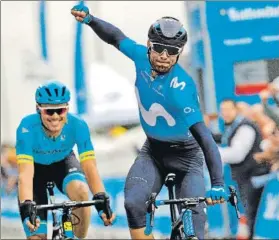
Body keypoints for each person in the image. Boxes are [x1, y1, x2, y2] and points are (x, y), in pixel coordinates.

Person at [71, 5, 226, 240]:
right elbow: (116, 37)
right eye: (159, 48)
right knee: (133, 204)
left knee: (193, 228)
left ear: (179, 52)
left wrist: (217, 183)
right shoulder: (140, 57)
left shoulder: (181, 88)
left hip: (187, 158)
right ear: (149, 45)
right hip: (153, 152)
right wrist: (91, 20)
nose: (164, 56)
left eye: (172, 51)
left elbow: (204, 137)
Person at [16, 81, 115, 240]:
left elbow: (89, 166)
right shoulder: (26, 127)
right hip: (35, 172)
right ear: (39, 110)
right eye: (49, 111)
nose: (55, 116)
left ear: (67, 109)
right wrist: (26, 204)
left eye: (60, 110)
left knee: (82, 191)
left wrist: (100, 196)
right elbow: (25, 174)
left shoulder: (79, 125)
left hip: (63, 164)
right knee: (36, 237)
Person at [218, 99, 270, 238]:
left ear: (236, 110)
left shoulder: (245, 127)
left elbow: (237, 154)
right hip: (246, 178)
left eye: (228, 110)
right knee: (249, 214)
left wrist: (213, 153)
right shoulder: (233, 127)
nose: (225, 114)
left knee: (252, 213)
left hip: (254, 177)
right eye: (222, 111)